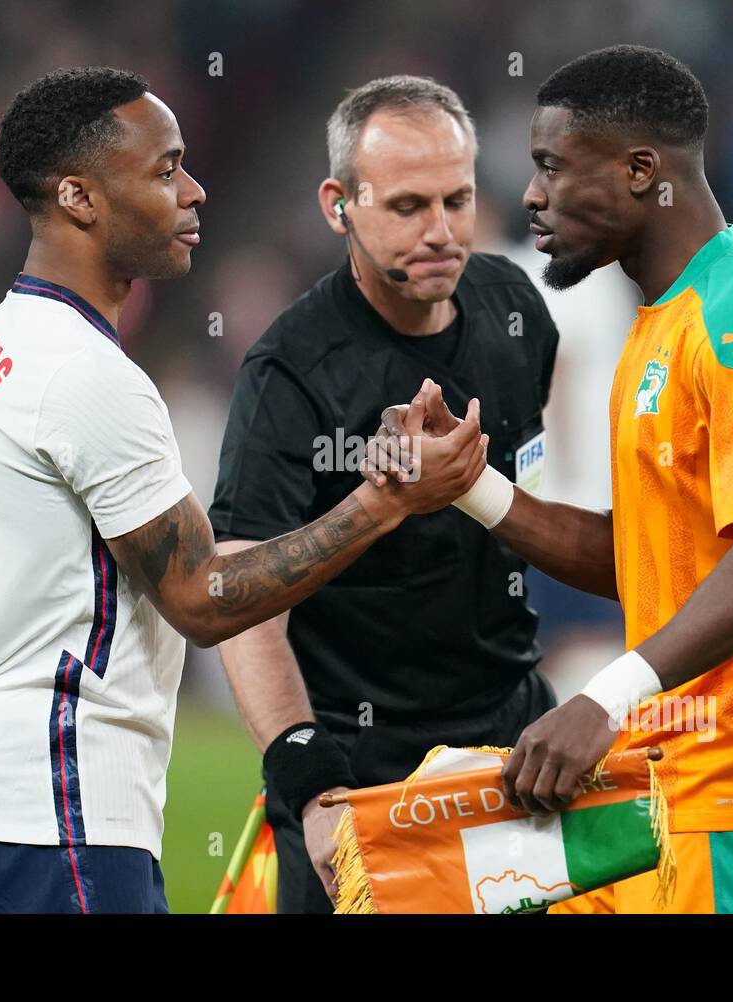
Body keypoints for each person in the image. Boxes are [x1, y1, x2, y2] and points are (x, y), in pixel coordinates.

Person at [0, 66, 488, 914]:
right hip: (63, 813)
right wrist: (386, 501)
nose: (194, 190)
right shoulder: (86, 375)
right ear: (79, 196)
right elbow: (202, 597)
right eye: (164, 169)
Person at [374, 46, 733, 914]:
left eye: (551, 167)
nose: (531, 195)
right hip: (674, 777)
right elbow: (646, 559)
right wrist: (471, 487)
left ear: (642, 171)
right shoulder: (659, 326)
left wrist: (604, 697)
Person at [207, 76, 560, 913]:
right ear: (340, 205)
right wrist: (310, 780)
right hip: (357, 777)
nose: (441, 232)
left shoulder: (518, 312)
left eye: (458, 199)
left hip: (509, 754)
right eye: (407, 206)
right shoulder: (290, 374)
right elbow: (243, 595)